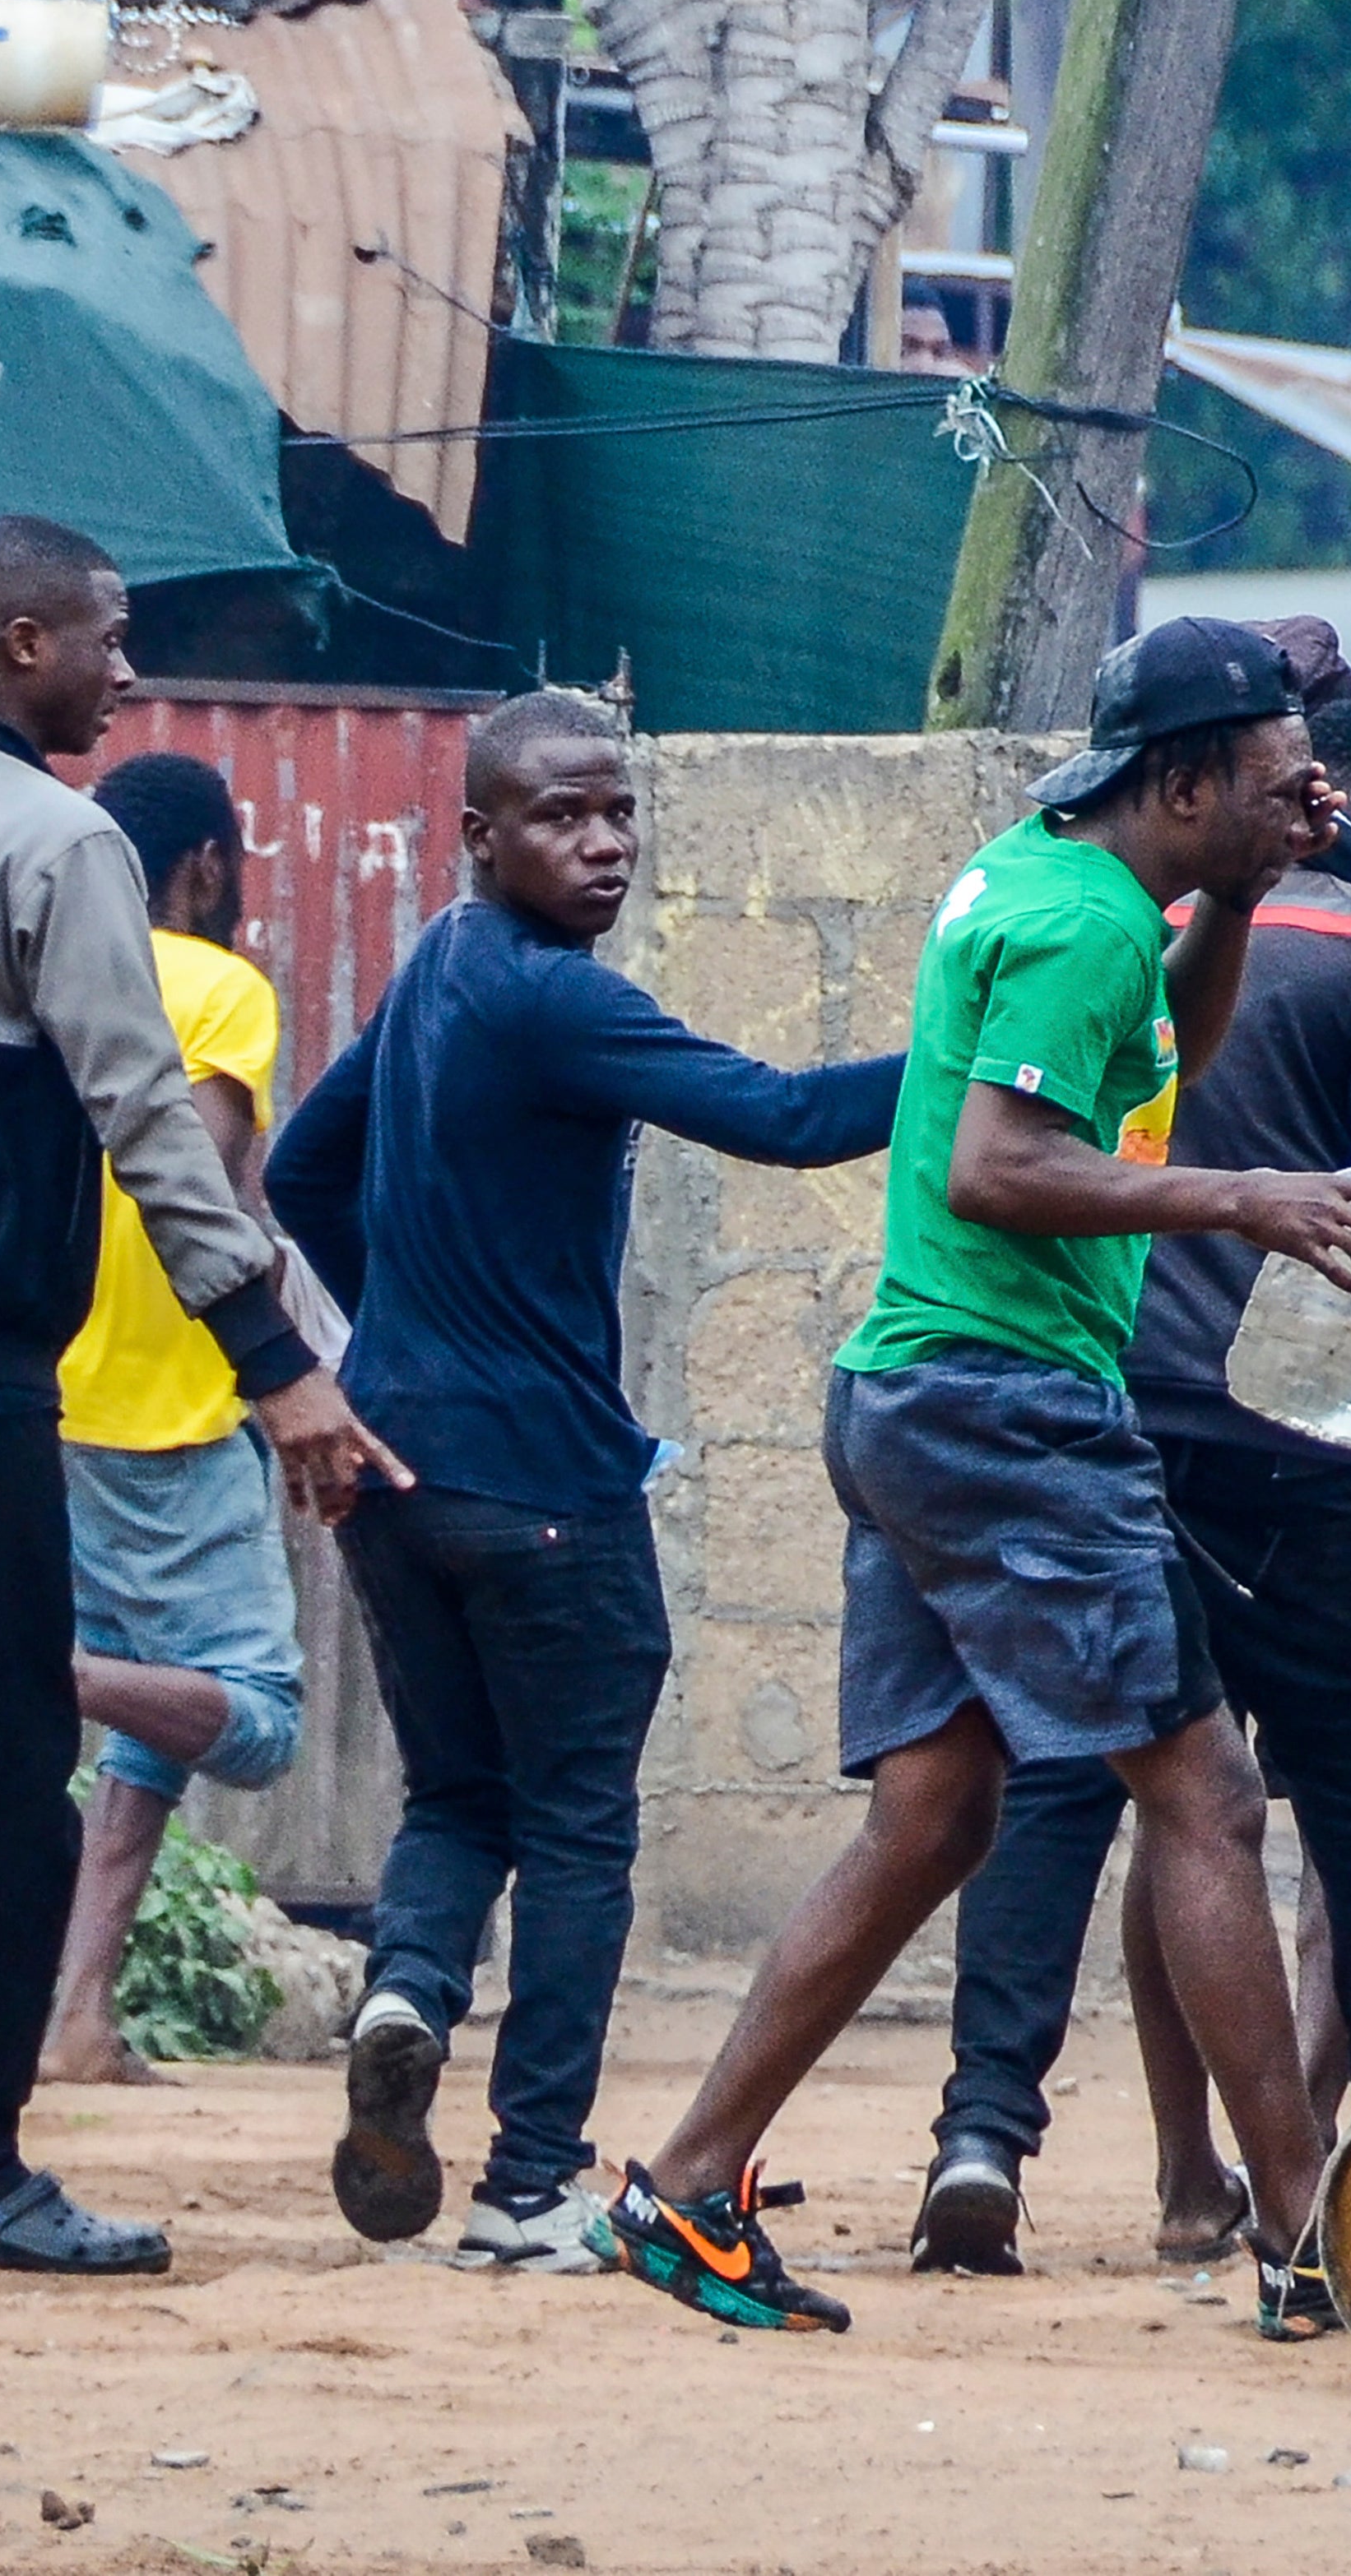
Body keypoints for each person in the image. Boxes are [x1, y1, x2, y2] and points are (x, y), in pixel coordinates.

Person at [601, 620, 1351, 2339]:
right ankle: (1300, 2229)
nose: (1294, 809)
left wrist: (1246, 896)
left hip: (917, 1392)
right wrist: (1254, 1203)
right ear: (1182, 780)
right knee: (1210, 1798)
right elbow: (997, 1167)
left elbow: (1150, 1080)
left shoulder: (1070, 886)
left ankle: (685, 2182)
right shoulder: (1070, 925)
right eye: (1267, 792)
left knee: (937, 1810)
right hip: (1005, 1403)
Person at [0, 515, 406, 2276]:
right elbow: (156, 1128)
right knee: (10, 1781)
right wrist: (285, 1372)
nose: (128, 674)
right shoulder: (61, 841)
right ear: (15, 641)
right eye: (106, 639)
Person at [263, 692, 906, 2272]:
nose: (603, 841)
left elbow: (296, 1171)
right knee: (576, 1831)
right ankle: (527, 2186)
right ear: (481, 836)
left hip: (399, 1467)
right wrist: (982, 1038)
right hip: (544, 1478)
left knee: (462, 1796)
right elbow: (786, 1118)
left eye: (617, 809)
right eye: (560, 815)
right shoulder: (549, 995)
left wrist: (391, 1339)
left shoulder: (435, 966)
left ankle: (408, 1993)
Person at [912, 688, 1351, 2276]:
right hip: (1315, 1451)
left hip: (1123, 1424)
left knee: (1095, 1788)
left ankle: (1002, 2133)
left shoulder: (1132, 922)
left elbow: (1094, 1110)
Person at [39, 753, 313, 2088]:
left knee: (157, 1727)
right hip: (173, 1406)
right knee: (252, 1717)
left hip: (37, 1398)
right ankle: (42, 1670)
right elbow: (199, 1173)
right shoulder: (218, 985)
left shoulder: (39, 970)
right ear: (204, 864)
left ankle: (78, 2010)